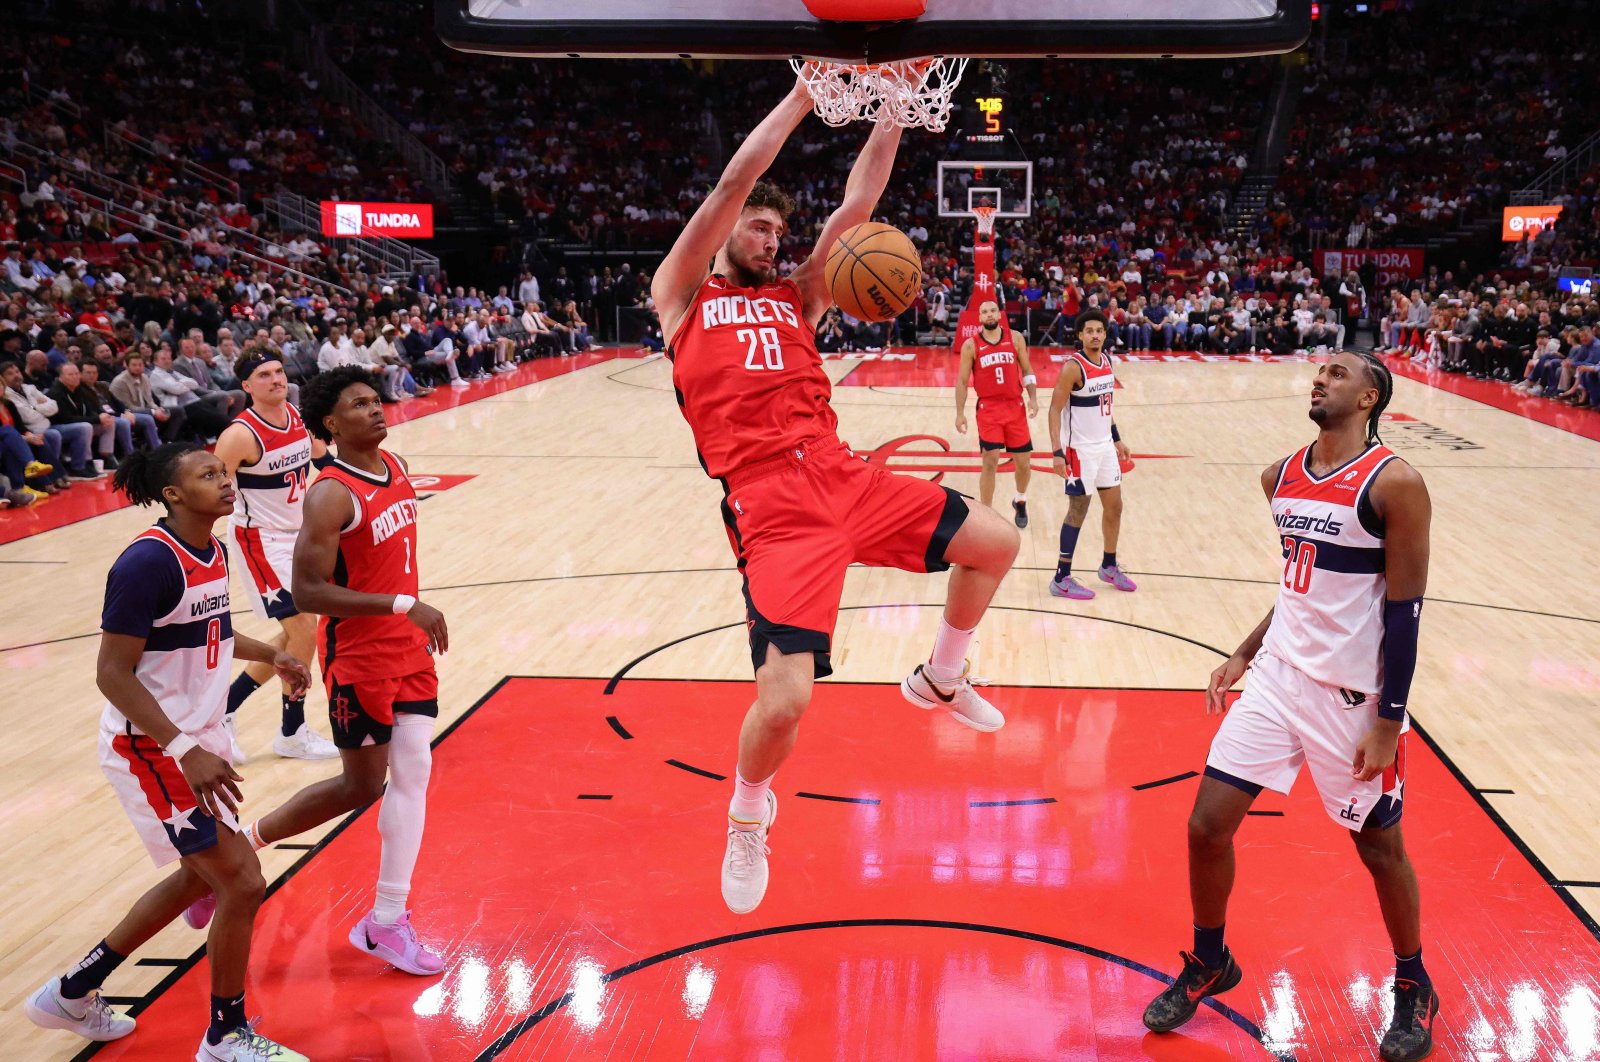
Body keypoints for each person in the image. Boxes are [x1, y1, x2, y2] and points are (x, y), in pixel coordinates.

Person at [651, 74, 1020, 916]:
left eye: (780, 229)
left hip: (842, 472)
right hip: (770, 506)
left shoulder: (798, 297)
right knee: (783, 704)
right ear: (725, 233)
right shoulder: (682, 297)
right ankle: (749, 812)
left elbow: (859, 200)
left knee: (996, 542)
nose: (771, 237)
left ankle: (940, 677)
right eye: (760, 224)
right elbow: (731, 182)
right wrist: (803, 96)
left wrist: (892, 110)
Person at [1141, 352, 1437, 1062]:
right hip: (1278, 679)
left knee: (1378, 849)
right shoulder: (1281, 475)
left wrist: (1389, 722)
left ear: (1369, 397)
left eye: (1337, 373)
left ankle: (1414, 982)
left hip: (1352, 698)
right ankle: (1211, 959)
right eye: (1320, 371)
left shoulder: (1396, 484)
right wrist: (1245, 652)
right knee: (1206, 827)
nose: (1320, 378)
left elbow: (1405, 613)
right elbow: (1299, 589)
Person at [23, 443, 312, 1061]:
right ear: (175, 494)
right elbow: (112, 672)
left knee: (196, 880)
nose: (226, 480)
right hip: (151, 748)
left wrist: (273, 653)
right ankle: (224, 1036)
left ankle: (72, 994)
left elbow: (208, 628)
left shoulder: (213, 547)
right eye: (208, 474)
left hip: (192, 741)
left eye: (224, 471)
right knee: (241, 882)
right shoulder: (146, 563)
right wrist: (184, 749)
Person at [233, 366, 449, 977]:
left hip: (407, 649)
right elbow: (308, 589)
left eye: (376, 400)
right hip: (361, 657)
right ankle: (241, 845)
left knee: (414, 772)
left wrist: (406, 611)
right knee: (360, 786)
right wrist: (403, 604)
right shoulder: (330, 492)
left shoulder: (398, 466)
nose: (376, 411)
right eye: (359, 405)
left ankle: (386, 920)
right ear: (330, 422)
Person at [214, 353, 338, 762]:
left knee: (296, 636)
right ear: (247, 386)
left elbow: (325, 462)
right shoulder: (240, 435)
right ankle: (292, 731)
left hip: (299, 535)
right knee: (305, 632)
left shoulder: (300, 418)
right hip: (260, 541)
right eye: (263, 375)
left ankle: (224, 709)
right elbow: (212, 488)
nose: (276, 380)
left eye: (279, 372)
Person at [1047, 310, 1135, 600]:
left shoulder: (1108, 361)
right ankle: (1061, 577)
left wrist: (1117, 439)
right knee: (1078, 510)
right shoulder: (1073, 367)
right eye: (1089, 331)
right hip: (1079, 451)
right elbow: (1054, 410)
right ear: (1080, 335)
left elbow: (1105, 408)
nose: (1095, 335)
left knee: (1115, 506)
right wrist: (1057, 453)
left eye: (1099, 330)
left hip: (1104, 448)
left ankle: (1109, 565)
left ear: (1105, 334)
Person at [955, 299, 1038, 527]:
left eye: (993, 311)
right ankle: (986, 513)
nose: (989, 315)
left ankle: (1020, 499)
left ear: (999, 315)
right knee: (990, 460)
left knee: (1023, 463)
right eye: (984, 312)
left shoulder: (1016, 338)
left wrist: (1033, 398)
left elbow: (1028, 369)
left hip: (1015, 406)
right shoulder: (971, 345)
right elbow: (962, 382)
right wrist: (959, 413)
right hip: (989, 409)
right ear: (979, 318)